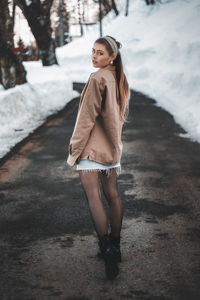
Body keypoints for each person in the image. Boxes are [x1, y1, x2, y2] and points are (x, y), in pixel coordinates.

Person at [66, 35, 130, 279]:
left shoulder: (97, 78)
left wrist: (75, 150)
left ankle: (107, 249)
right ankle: (116, 244)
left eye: (100, 53)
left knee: (94, 198)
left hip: (92, 150)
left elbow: (86, 119)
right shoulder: (118, 77)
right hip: (112, 150)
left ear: (112, 56)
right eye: (93, 51)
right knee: (112, 195)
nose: (94, 56)